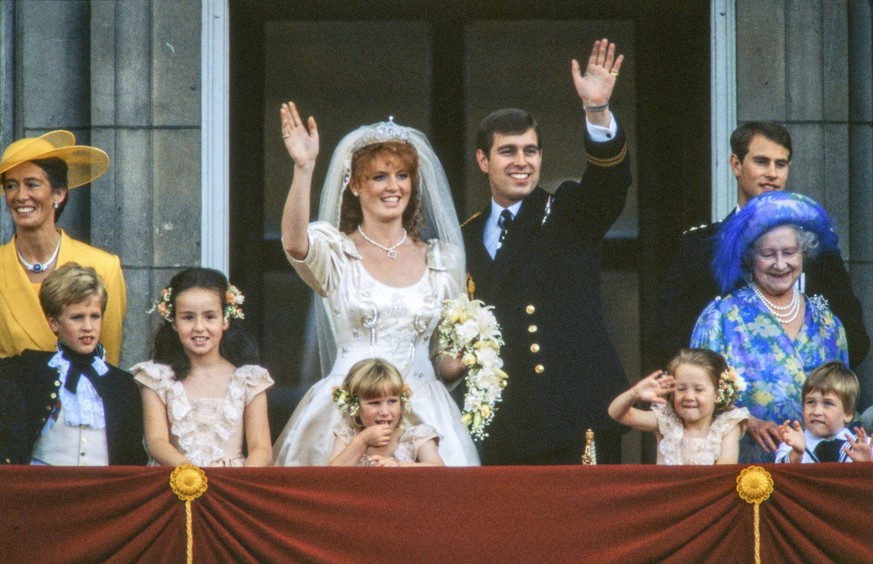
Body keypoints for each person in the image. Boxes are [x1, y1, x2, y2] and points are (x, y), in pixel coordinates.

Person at [271, 103, 479, 467]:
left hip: (425, 410)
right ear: (354, 184)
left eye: (402, 175)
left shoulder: (443, 260)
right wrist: (303, 169)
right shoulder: (336, 252)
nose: (393, 187)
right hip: (346, 409)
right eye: (379, 177)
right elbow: (294, 243)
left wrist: (464, 361)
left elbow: (441, 359)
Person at [460, 38, 631, 464]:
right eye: (508, 151)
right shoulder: (463, 237)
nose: (522, 162)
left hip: (573, 416)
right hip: (503, 426)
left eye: (531, 151)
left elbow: (609, 187)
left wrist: (596, 111)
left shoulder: (567, 210)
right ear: (483, 160)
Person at [650, 122, 868, 369]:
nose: (772, 173)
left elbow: (854, 339)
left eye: (781, 164)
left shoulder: (817, 244)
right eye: (761, 162)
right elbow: (667, 340)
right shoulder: (701, 245)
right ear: (736, 165)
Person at [691, 191, 849, 463]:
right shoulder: (721, 318)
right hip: (742, 471)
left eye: (789, 252)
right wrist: (747, 422)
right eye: (767, 254)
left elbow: (845, 400)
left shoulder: (827, 324)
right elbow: (694, 399)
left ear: (804, 253)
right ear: (750, 259)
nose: (780, 264)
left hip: (814, 473)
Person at [0, 131, 127, 365]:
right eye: (11, 186)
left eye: (32, 184)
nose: (20, 195)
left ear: (58, 193)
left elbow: (108, 365)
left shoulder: (103, 266)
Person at [3, 263, 145, 465]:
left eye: (95, 317)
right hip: (44, 490)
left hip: (104, 493)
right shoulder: (28, 371)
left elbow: (132, 457)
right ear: (54, 323)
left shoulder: (123, 384)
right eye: (77, 317)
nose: (88, 327)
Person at [132, 268, 273, 467]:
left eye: (209, 317)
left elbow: (261, 448)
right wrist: (192, 476)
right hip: (179, 480)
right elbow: (157, 442)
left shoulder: (249, 380)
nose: (199, 327)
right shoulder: (157, 378)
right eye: (188, 317)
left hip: (233, 483)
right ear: (173, 321)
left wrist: (238, 483)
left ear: (225, 320)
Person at [608, 348, 749, 465]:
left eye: (698, 389)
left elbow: (722, 475)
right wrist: (634, 393)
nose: (688, 397)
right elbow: (617, 414)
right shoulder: (666, 421)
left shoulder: (727, 425)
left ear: (719, 393)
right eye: (681, 389)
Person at [328, 358, 443, 467]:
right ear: (355, 408)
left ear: (401, 403)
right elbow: (331, 476)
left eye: (392, 401)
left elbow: (439, 470)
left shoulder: (415, 437)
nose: (384, 412)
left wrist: (399, 466)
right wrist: (361, 442)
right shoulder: (348, 435)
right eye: (374, 403)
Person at [776, 361, 872, 463]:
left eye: (827, 403)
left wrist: (866, 466)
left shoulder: (866, 446)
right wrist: (797, 454)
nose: (816, 412)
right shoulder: (792, 444)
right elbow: (780, 476)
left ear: (848, 414)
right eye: (810, 402)